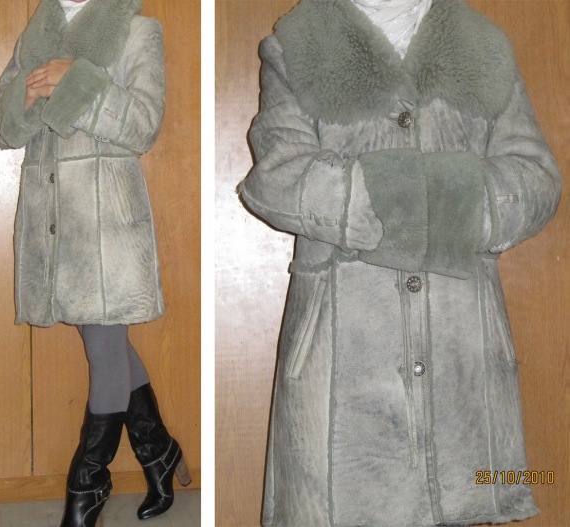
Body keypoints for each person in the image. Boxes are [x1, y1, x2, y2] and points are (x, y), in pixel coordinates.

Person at [238, 0, 561, 525]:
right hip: (342, 356)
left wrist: (390, 197)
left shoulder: (484, 47)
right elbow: (276, 175)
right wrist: (439, 197)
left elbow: (537, 179)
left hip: (463, 356)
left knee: (467, 495)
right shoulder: (298, 45)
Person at [0, 0, 190, 526]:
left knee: (103, 346)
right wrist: (25, 94)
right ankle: (159, 451)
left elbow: (144, 124)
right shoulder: (34, 40)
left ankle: (88, 481)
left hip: (106, 221)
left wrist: (77, 81)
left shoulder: (138, 32)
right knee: (107, 342)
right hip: (54, 224)